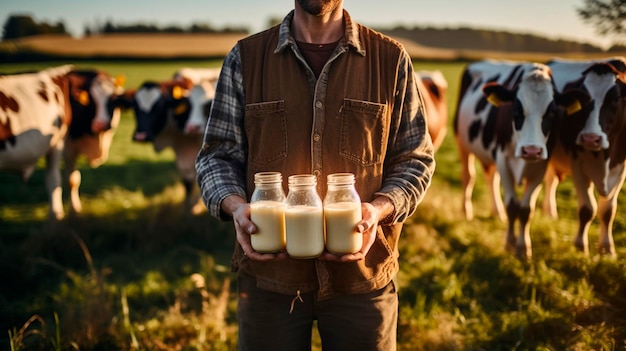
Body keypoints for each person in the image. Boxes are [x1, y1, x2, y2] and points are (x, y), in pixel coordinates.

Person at [195, 0, 435, 349]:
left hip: (363, 278)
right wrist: (236, 207)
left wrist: (378, 210)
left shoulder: (390, 59)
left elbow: (415, 159)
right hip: (269, 279)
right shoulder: (245, 58)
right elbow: (216, 155)